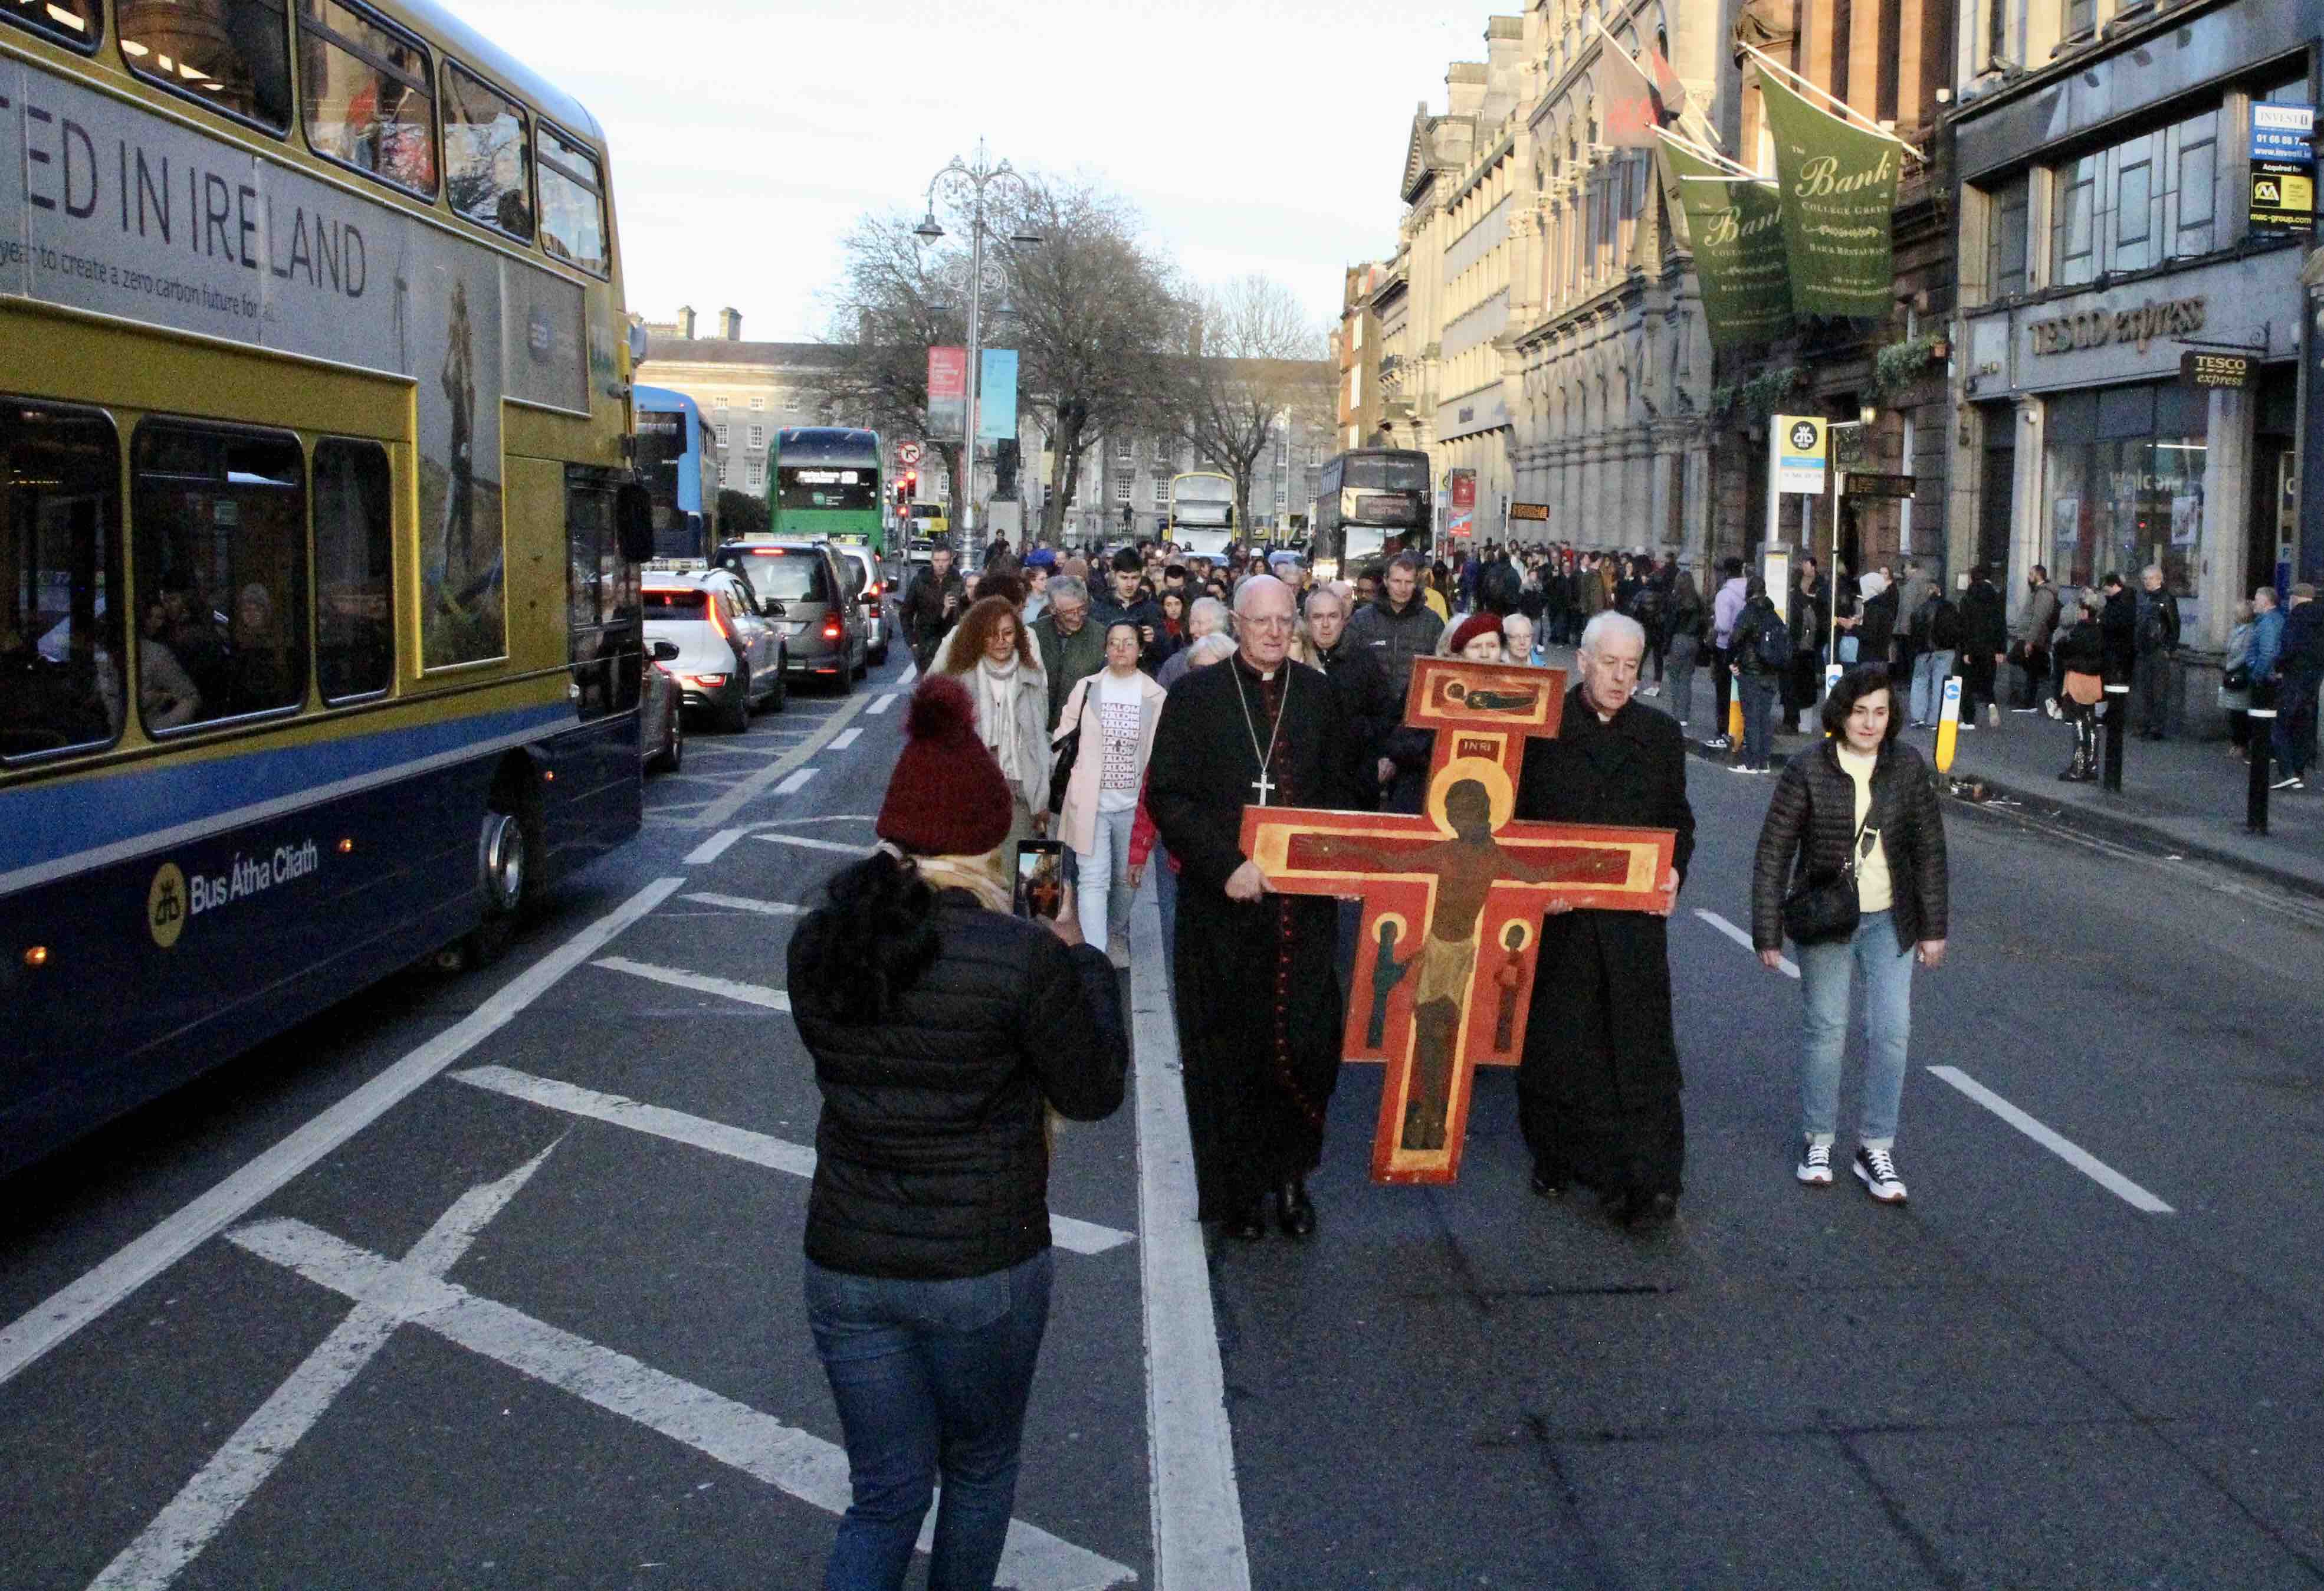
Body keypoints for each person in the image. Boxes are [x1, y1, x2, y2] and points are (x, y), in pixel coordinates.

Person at [787, 674, 1127, 1591]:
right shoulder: (1018, 955)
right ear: (987, 839)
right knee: (977, 1469)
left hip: (849, 1259)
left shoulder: (819, 943)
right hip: (984, 1261)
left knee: (884, 1492)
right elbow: (1093, 1091)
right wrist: (1078, 958)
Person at [1147, 575, 1360, 1241]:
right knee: (1230, 1051)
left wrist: (1353, 861)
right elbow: (1169, 796)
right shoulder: (1195, 697)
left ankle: (1292, 1177)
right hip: (1223, 911)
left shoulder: (1322, 698)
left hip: (1303, 914)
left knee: (1304, 1046)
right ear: (1236, 624)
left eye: (1283, 620)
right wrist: (1225, 866)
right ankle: (1239, 1193)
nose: (1273, 632)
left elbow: (1351, 794)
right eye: (1259, 621)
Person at [1514, 611, 1694, 1224]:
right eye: (1609, 664)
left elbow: (1679, 822)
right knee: (1562, 1044)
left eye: (1630, 666)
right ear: (1583, 662)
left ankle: (1650, 1178)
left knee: (1639, 1049)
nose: (1620, 678)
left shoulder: (1660, 735)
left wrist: (1674, 873)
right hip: (1560, 920)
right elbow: (1513, 825)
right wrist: (1538, 887)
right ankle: (1556, 1156)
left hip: (1631, 922)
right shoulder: (1542, 730)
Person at [1749, 666, 1948, 1205]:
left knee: (1891, 1031)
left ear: (1892, 716)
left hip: (1891, 919)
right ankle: (1819, 1139)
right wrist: (1767, 930)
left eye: (1880, 711)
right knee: (1827, 1029)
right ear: (1841, 713)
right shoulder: (1808, 768)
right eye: (1860, 711)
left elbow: (1929, 849)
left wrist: (1934, 928)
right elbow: (1775, 852)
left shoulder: (1906, 767)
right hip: (1829, 918)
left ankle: (1875, 1146)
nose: (1869, 722)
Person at [1054, 620, 1168, 965]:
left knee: (1126, 881)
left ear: (1140, 649)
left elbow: (1160, 752)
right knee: (1093, 878)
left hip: (1134, 805)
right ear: (1105, 648)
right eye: (1114, 642)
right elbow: (1064, 734)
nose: (1120, 649)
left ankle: (1116, 931)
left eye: (1128, 642)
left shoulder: (1155, 696)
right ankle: (1096, 955)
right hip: (1090, 800)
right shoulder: (1087, 687)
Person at [938, 596, 1050, 851]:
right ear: (978, 637)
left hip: (1020, 787)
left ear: (1018, 635)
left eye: (1008, 633)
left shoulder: (1032, 677)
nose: (1001, 641)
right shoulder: (958, 681)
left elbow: (1038, 738)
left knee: (1015, 875)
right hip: (972, 790)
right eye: (991, 635)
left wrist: (1041, 798)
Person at [1304, 585, 1396, 809]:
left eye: (1333, 616)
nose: (1326, 625)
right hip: (1308, 777)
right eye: (1318, 617)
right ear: (1307, 621)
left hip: (1355, 777)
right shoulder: (1296, 659)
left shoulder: (1364, 661)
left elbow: (1386, 713)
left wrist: (1384, 754)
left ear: (1344, 620)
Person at [1344, 553, 1446, 701]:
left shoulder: (1432, 622)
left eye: (1408, 582)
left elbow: (1440, 668)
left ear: (1416, 584)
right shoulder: (1362, 620)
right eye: (1397, 581)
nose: (1403, 588)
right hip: (1372, 709)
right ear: (1386, 581)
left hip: (1415, 706)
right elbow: (1348, 664)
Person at [1730, 578, 1788, 774]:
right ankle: (1764, 762)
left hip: (1751, 672)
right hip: (1771, 673)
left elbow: (1734, 640)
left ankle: (1751, 762)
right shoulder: (1774, 615)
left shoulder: (1747, 614)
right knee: (1765, 718)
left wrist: (1732, 662)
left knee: (1752, 719)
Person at [1030, 576, 1102, 732]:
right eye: (1069, 612)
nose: (1077, 617)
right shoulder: (1034, 633)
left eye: (1082, 609)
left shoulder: (1101, 636)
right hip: (1037, 727)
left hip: (1080, 730)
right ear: (1052, 609)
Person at [2051, 592, 2108, 782]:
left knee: (2078, 722)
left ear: (2085, 612)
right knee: (2091, 722)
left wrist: (2062, 646)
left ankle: (2079, 766)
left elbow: (2064, 648)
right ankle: (2092, 766)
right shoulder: (2102, 631)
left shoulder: (2080, 630)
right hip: (2094, 679)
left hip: (2077, 677)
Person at [2273, 583, 2322, 793]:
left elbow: (2289, 648)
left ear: (2296, 597)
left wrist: (2279, 666)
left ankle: (2288, 772)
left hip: (2294, 679)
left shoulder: (2295, 619)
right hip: (2314, 680)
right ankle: (2299, 772)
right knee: (2304, 727)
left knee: (2280, 725)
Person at [1091, 548, 1167, 673]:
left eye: (1135, 578)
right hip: (1106, 678)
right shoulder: (1098, 608)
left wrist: (1156, 638)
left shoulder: (1152, 609)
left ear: (1141, 575)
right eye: (1124, 578)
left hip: (1142, 678)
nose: (1129, 584)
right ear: (1114, 575)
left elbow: (1165, 653)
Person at [2132, 564, 2181, 740]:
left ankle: (2156, 727)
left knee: (2159, 691)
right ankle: (2144, 724)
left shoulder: (2166, 599)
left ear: (2159, 579)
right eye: (2144, 579)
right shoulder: (2142, 598)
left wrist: (2168, 648)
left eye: (2150, 578)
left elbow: (2174, 625)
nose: (2146, 582)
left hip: (2159, 650)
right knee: (2144, 690)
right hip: (2143, 649)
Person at [901, 546, 968, 672]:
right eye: (937, 560)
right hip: (925, 642)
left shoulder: (957, 582)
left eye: (944, 560)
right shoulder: (920, 581)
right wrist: (912, 641)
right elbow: (906, 612)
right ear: (932, 560)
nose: (940, 565)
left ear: (951, 561)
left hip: (950, 642)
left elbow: (961, 613)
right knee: (929, 684)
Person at [1906, 579, 1959, 730]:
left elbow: (1914, 633)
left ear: (1928, 592)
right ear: (1940, 591)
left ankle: (1918, 717)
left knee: (1919, 681)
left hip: (1924, 651)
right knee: (1940, 685)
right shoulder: (1950, 608)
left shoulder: (1920, 609)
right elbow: (1957, 629)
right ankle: (1935, 720)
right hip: (1946, 651)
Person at [1959, 564, 2008, 730]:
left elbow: (1965, 626)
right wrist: (2001, 649)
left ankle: (1969, 720)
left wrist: (1966, 651)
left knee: (1968, 685)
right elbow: (2001, 624)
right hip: (1991, 647)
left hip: (1973, 647)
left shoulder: (1967, 598)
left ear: (1972, 578)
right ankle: (1992, 704)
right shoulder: (1996, 597)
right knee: (1987, 682)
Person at [1708, 557, 1747, 750]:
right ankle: (1741, 731)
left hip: (1726, 648)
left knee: (1723, 693)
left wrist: (1714, 624)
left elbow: (1723, 626)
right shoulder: (1749, 589)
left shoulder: (1725, 594)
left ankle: (1723, 732)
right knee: (1742, 692)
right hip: (1746, 648)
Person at [2010, 565, 2059, 713]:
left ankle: (2029, 702)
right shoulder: (2039, 592)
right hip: (2032, 636)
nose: (2029, 577)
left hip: (2034, 638)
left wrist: (2030, 640)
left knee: (2029, 667)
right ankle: (2028, 701)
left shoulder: (2044, 593)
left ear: (2038, 576)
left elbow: (2038, 618)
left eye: (2031, 574)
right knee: (2031, 669)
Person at [1157, 595, 1230, 690]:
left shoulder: (1233, 661)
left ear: (1219, 625)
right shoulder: (1175, 664)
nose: (1192, 630)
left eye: (1200, 623)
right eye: (1191, 623)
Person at [1663, 570, 1706, 731]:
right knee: (1686, 679)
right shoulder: (1698, 600)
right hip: (1693, 641)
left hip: (1678, 640)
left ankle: (1677, 712)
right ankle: (1684, 716)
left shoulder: (1676, 600)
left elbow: (1670, 624)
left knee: (1675, 677)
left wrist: (1666, 645)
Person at [2220, 599, 2255, 759]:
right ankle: (2236, 743)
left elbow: (2245, 655)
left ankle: (2242, 744)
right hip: (2231, 672)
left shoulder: (2250, 631)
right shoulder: (2237, 629)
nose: (2234, 615)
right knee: (2233, 712)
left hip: (2239, 674)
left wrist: (2230, 666)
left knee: (2240, 713)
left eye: (2236, 612)